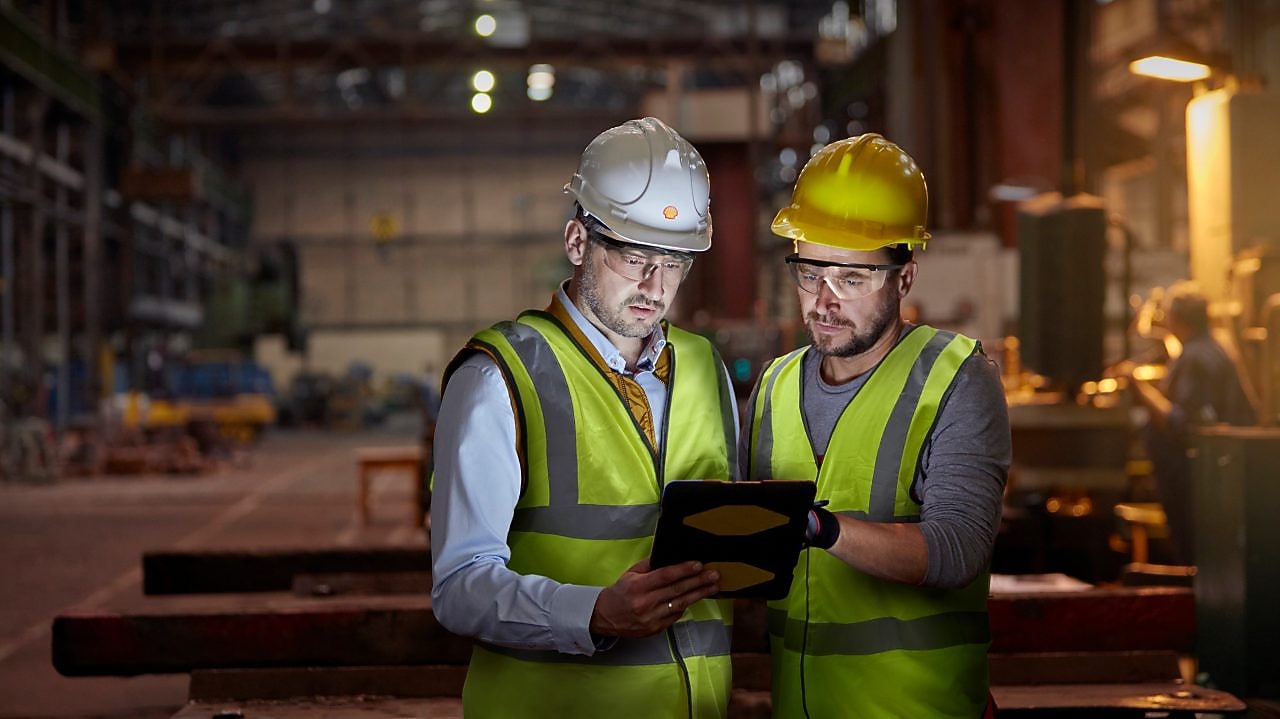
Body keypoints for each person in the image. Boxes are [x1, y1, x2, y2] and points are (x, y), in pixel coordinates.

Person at [430, 117, 740, 718]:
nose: (655, 285)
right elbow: (459, 587)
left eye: (675, 262)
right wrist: (593, 612)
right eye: (634, 256)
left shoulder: (705, 368)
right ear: (577, 242)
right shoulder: (502, 377)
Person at [741, 134, 1009, 718]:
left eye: (852, 279)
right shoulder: (774, 387)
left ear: (904, 278)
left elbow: (957, 550)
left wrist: (818, 527)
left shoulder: (956, 380)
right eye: (810, 272)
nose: (824, 300)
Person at [1127, 281, 1258, 563]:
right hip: (1218, 472)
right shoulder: (1215, 347)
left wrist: (1140, 390)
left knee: (1194, 548)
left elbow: (1181, 424)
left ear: (1177, 319)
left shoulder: (1196, 358)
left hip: (1194, 475)